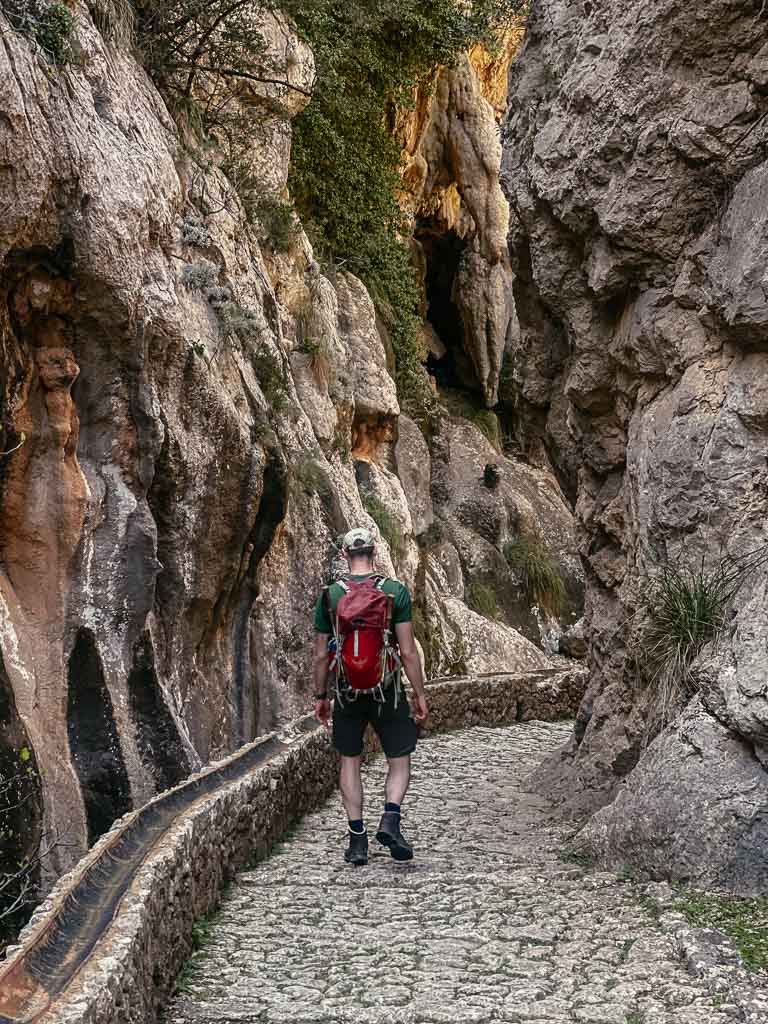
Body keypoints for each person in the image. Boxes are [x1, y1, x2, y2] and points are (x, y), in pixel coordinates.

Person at [313, 526, 429, 866]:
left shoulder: (330, 596)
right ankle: (390, 819)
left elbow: (321, 655)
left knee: (350, 761)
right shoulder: (394, 593)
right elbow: (408, 651)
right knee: (399, 758)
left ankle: (358, 841)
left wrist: (321, 695)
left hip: (347, 692)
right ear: (374, 553)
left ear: (345, 556)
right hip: (388, 690)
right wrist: (419, 694)